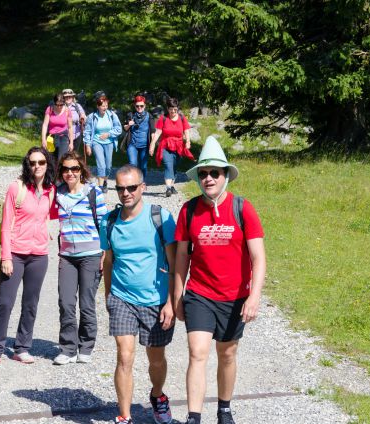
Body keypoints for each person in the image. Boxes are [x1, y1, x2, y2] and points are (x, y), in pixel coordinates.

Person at [173, 136, 266, 424]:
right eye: (203, 173)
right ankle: (194, 417)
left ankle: (224, 409)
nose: (209, 178)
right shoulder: (189, 211)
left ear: (226, 175)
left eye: (215, 172)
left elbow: (258, 258)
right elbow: (181, 259)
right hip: (200, 294)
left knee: (227, 354)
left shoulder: (243, 208)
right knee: (197, 352)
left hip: (234, 296)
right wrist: (177, 296)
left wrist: (254, 296)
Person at [100, 165, 177, 424]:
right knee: (124, 355)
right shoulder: (109, 222)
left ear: (142, 187)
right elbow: (108, 261)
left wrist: (171, 302)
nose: (125, 193)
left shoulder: (160, 217)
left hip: (156, 301)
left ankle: (158, 395)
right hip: (122, 298)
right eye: (120, 188)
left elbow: (176, 264)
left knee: (156, 360)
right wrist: (109, 295)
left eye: (131, 187)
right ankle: (124, 416)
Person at [0, 146, 57, 365]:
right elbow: (6, 225)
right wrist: (5, 256)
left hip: (39, 255)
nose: (37, 167)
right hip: (15, 252)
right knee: (5, 301)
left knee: (30, 303)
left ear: (47, 164)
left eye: (41, 162)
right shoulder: (17, 188)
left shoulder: (50, 190)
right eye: (33, 163)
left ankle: (22, 347)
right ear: (27, 164)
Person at [53, 151, 108, 365]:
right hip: (67, 256)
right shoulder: (57, 194)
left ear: (81, 171)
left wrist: (105, 254)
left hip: (91, 256)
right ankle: (67, 348)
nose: (70, 173)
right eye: (66, 169)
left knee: (86, 304)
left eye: (74, 169)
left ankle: (86, 345)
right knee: (66, 302)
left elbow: (104, 224)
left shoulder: (93, 193)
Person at [149, 97, 194, 198]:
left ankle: (172, 186)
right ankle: (168, 188)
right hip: (165, 145)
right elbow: (158, 132)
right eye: (171, 109)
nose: (173, 111)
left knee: (174, 166)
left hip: (178, 146)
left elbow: (186, 130)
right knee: (168, 165)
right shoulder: (163, 118)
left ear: (177, 108)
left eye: (175, 109)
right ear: (167, 108)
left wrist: (188, 141)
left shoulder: (182, 118)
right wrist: (152, 144)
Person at [83, 93, 122, 193]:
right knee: (101, 164)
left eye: (106, 105)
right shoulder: (92, 117)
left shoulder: (112, 115)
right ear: (98, 106)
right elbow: (87, 132)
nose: (105, 108)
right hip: (96, 142)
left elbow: (119, 129)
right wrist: (88, 145)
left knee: (108, 166)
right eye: (102, 106)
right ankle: (100, 187)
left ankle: (105, 181)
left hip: (109, 142)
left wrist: (108, 134)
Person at [123, 95, 155, 181]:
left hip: (144, 145)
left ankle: (141, 182)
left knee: (143, 166)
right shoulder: (130, 115)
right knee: (132, 164)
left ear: (145, 106)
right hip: (132, 144)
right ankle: (134, 182)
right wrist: (129, 125)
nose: (139, 108)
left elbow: (153, 131)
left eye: (141, 106)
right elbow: (125, 128)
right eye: (137, 106)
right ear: (134, 106)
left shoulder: (149, 116)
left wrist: (152, 145)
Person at [42, 93, 74, 163]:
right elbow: (45, 125)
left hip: (63, 137)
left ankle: (60, 173)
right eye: (57, 105)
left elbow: (70, 127)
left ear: (64, 103)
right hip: (51, 137)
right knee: (50, 160)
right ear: (54, 103)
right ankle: (52, 173)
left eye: (61, 105)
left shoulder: (67, 111)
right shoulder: (49, 109)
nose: (59, 107)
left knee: (61, 160)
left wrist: (71, 142)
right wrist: (43, 139)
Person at [62, 88, 87, 154]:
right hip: (64, 134)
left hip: (76, 133)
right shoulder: (60, 107)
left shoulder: (77, 106)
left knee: (74, 154)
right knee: (65, 155)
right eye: (66, 97)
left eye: (69, 96)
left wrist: (82, 117)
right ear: (63, 98)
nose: (68, 98)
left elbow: (83, 115)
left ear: (73, 97)